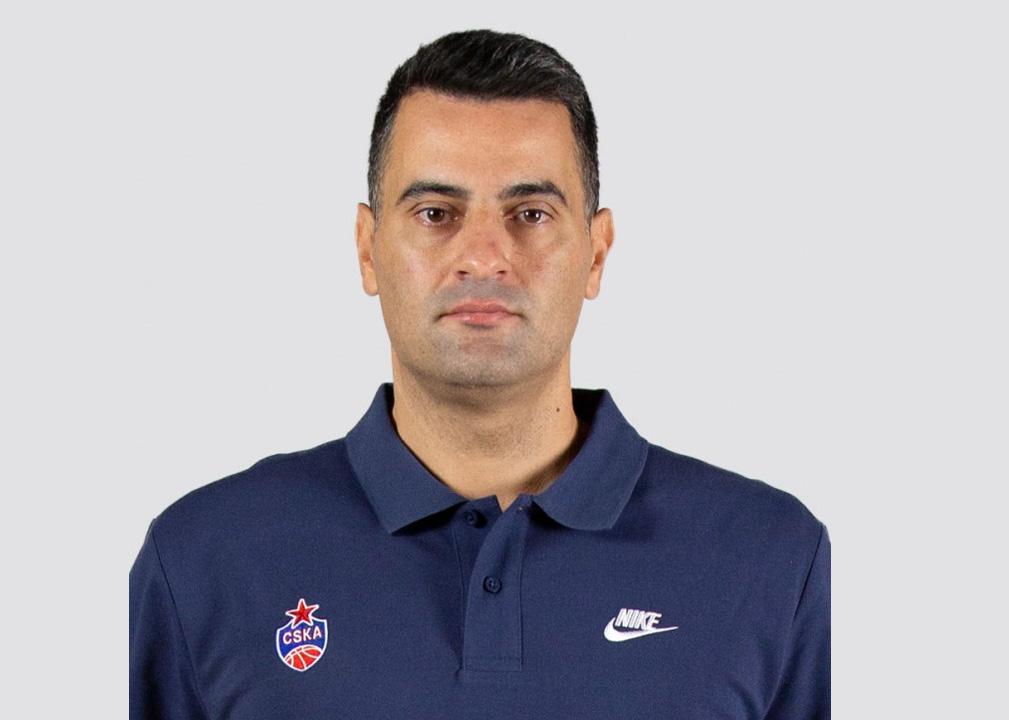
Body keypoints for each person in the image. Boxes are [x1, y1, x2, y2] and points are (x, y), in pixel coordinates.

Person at [130, 28, 830, 719]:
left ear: (595, 253)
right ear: (369, 250)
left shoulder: (771, 559)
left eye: (531, 213)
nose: (484, 257)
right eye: (436, 213)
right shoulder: (203, 560)